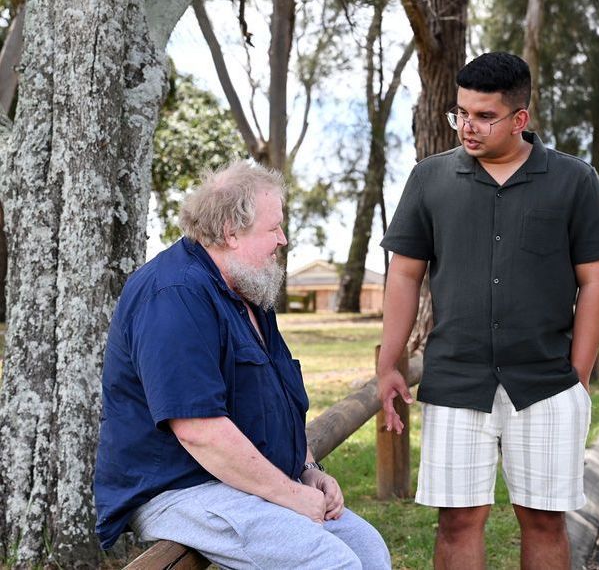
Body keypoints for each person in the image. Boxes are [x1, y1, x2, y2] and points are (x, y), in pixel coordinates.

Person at [377, 52, 599, 570]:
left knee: (544, 521)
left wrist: (576, 374)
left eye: (485, 116)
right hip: (455, 380)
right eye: (461, 112)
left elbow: (595, 282)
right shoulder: (429, 179)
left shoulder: (574, 181)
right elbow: (403, 274)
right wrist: (388, 363)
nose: (468, 126)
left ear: (520, 119)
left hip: (546, 382)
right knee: (458, 522)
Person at [95, 161, 390, 570]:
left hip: (241, 481)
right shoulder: (173, 293)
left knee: (369, 550)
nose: (282, 240)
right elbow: (199, 431)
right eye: (273, 229)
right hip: (180, 488)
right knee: (329, 562)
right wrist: (289, 495)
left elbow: (279, 397)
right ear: (232, 232)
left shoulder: (248, 286)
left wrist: (306, 470)